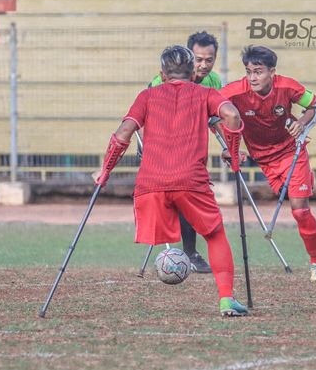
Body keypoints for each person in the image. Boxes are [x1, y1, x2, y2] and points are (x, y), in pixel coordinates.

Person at [93, 45, 248, 317]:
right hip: (191, 180)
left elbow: (123, 133)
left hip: (151, 183)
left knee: (190, 227)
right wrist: (233, 156)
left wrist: (105, 172)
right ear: (192, 72)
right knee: (214, 234)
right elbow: (232, 116)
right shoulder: (206, 93)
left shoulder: (147, 96)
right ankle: (226, 299)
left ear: (162, 74)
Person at [220, 45, 316, 283]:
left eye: (258, 71)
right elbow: (213, 112)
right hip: (264, 159)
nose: (252, 77)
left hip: (292, 151)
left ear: (272, 72)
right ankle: (304, 181)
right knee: (287, 196)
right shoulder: (235, 91)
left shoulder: (287, 86)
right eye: (249, 71)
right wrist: (229, 147)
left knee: (299, 209)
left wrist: (301, 122)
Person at [145, 31, 222, 273]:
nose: (204, 65)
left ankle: (190, 251)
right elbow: (148, 116)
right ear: (189, 59)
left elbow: (217, 118)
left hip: (192, 150)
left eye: (209, 60)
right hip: (162, 147)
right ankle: (179, 249)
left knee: (188, 199)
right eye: (198, 59)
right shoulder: (160, 82)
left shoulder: (214, 82)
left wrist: (230, 147)